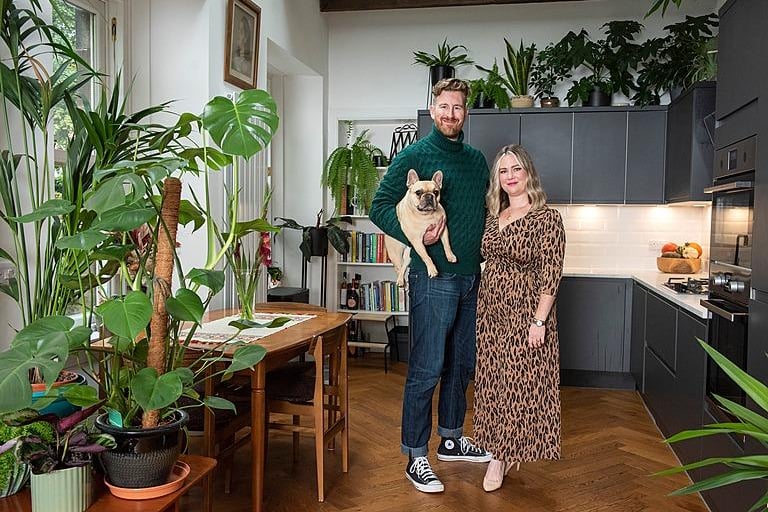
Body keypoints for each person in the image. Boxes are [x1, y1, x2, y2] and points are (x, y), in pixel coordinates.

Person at [369, 78, 491, 494]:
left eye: (457, 108)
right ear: (433, 108)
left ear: (466, 112)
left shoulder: (476, 161)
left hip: (473, 277)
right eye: (443, 107)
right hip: (431, 279)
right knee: (425, 368)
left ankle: (453, 438)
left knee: (461, 365)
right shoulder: (414, 155)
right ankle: (416, 455)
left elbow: (485, 211)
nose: (450, 115)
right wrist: (413, 237)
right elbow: (379, 206)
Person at [472, 144, 565, 492]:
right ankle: (501, 447)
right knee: (494, 383)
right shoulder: (492, 215)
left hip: (526, 313)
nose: (510, 177)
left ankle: (500, 457)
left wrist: (539, 322)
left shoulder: (546, 218)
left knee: (519, 385)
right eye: (503, 171)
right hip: (490, 313)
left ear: (529, 173)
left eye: (516, 169)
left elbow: (551, 275)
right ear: (497, 178)